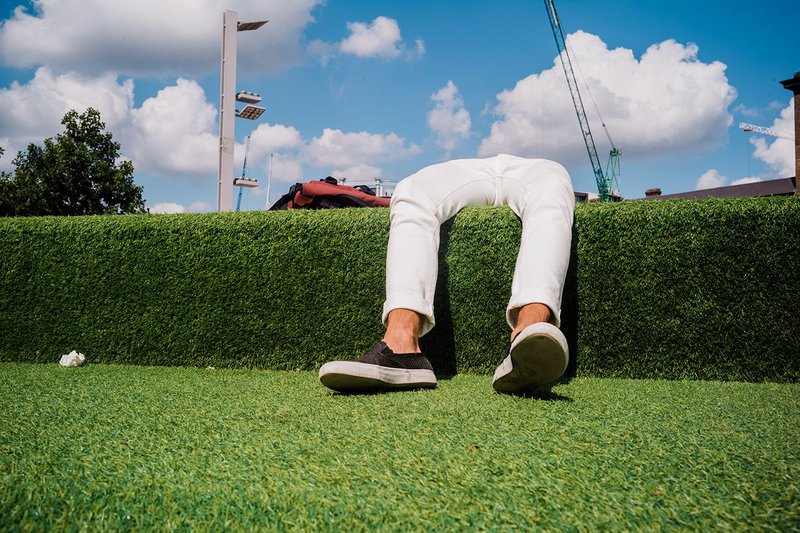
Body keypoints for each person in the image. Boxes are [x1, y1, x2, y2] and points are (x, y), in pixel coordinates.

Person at [319, 154, 575, 394]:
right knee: (411, 190)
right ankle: (402, 347)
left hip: (538, 170)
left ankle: (530, 335)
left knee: (552, 186)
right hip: (468, 171)